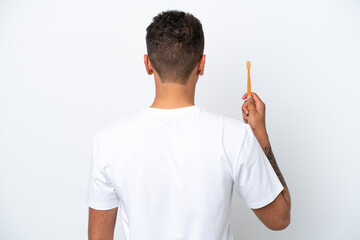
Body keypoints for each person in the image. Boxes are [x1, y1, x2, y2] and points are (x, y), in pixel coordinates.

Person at [87, 10, 291, 240]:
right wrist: (259, 132)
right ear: (202, 64)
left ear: (147, 64)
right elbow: (280, 218)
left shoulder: (108, 143)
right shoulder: (234, 137)